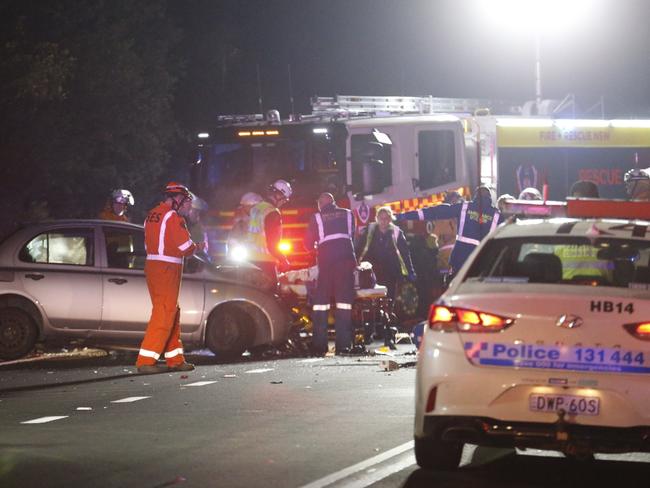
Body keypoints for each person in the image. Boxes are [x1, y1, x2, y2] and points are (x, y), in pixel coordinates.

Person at [135, 182, 201, 374]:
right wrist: (198, 247)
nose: (188, 205)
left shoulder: (152, 214)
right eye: (187, 201)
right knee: (164, 312)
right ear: (177, 199)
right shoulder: (173, 217)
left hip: (154, 267)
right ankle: (146, 360)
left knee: (171, 310)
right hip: (167, 269)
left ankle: (175, 359)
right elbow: (184, 247)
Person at [396, 186, 503, 280]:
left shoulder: (464, 208)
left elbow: (435, 212)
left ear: (475, 196)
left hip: (460, 259)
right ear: (490, 198)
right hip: (482, 263)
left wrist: (405, 216)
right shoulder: (497, 216)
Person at [304, 193, 357, 356]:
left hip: (327, 263)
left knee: (321, 303)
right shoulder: (348, 214)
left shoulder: (317, 217)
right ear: (333, 202)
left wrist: (314, 248)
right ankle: (344, 346)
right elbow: (354, 237)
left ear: (320, 203)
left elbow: (307, 244)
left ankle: (320, 346)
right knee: (344, 304)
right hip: (347, 261)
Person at [356, 206, 416, 303]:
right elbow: (359, 248)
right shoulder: (370, 230)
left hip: (391, 271)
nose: (383, 221)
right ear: (377, 219)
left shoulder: (397, 232)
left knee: (389, 298)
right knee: (373, 298)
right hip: (372, 271)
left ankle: (388, 314)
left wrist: (410, 271)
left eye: (386, 218)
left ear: (390, 219)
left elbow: (405, 254)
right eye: (381, 218)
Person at [248, 180, 292, 284]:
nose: (283, 203)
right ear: (278, 195)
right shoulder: (272, 213)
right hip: (265, 263)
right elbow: (272, 244)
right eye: (284, 200)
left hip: (249, 262)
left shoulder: (256, 208)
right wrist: (283, 260)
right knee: (270, 296)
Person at [227, 191, 263, 259]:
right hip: (243, 254)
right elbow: (233, 239)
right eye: (249, 206)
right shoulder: (239, 222)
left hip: (261, 257)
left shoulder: (262, 220)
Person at [187, 193, 210, 258]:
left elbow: (203, 248)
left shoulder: (199, 228)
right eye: (195, 211)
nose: (197, 215)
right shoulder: (181, 224)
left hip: (196, 259)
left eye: (198, 212)